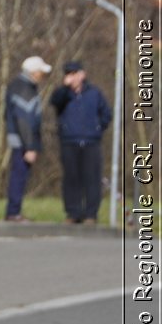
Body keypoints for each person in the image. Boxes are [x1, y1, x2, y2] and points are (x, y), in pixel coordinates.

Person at [49, 59, 112, 224]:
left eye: (75, 73)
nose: (72, 77)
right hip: (69, 141)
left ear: (82, 74)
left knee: (92, 178)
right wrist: (66, 89)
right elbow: (55, 102)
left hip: (91, 142)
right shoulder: (62, 94)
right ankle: (73, 213)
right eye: (69, 74)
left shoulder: (94, 93)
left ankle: (91, 214)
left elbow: (106, 113)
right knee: (71, 178)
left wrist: (97, 129)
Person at [3, 55, 52, 220]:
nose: (42, 76)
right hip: (22, 141)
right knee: (19, 176)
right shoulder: (24, 88)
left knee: (19, 176)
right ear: (33, 72)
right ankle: (13, 212)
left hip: (21, 140)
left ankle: (14, 211)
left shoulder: (22, 86)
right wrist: (30, 146)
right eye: (40, 72)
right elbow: (24, 120)